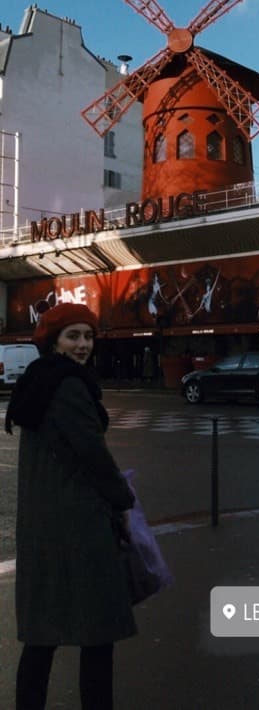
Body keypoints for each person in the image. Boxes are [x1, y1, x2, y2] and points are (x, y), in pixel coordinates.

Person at [5, 303, 136, 710]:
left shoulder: (38, 382)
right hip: (80, 525)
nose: (83, 345)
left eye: (89, 336)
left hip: (42, 524)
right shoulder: (70, 385)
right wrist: (123, 501)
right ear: (53, 340)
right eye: (73, 336)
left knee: (42, 636)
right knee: (97, 635)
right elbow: (93, 455)